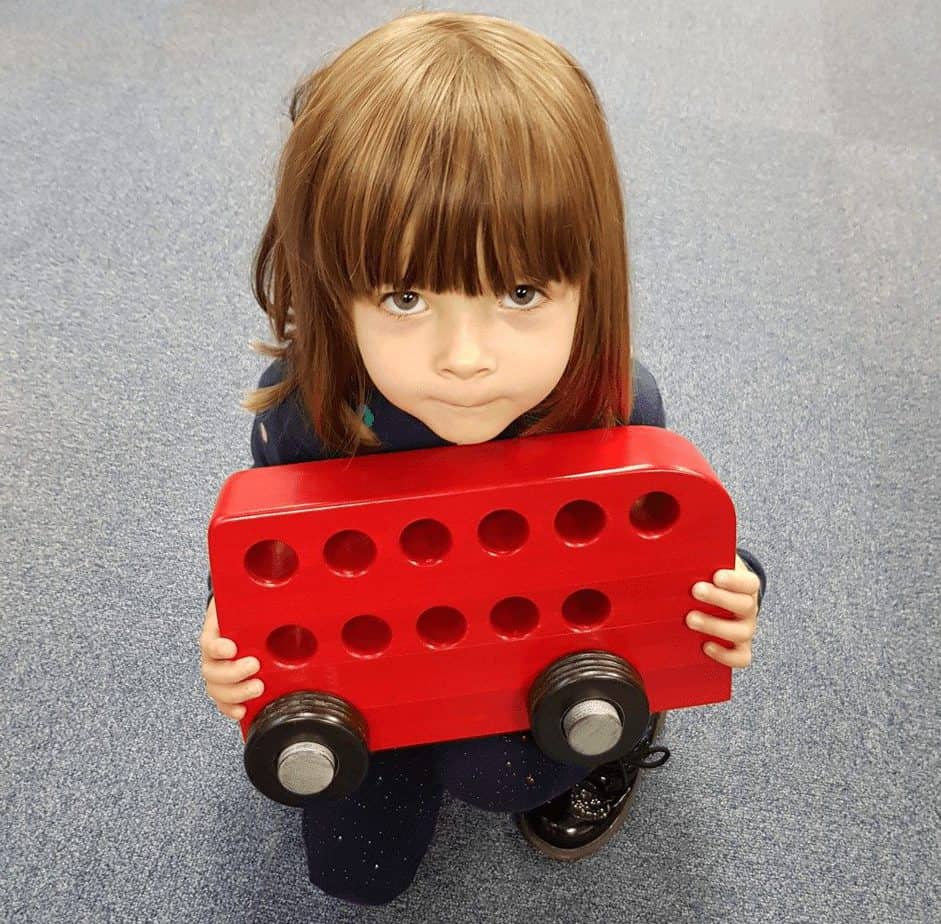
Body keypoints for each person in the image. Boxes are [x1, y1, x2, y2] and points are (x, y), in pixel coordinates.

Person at [198, 9, 767, 906]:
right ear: (333, 288)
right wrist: (223, 633)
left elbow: (675, 545)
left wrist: (735, 587)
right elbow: (266, 566)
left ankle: (614, 740)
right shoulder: (315, 421)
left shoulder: (611, 412)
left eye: (519, 291)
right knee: (354, 876)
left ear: (593, 279)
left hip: (545, 656)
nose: (466, 358)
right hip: (382, 659)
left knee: (502, 768)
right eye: (405, 295)